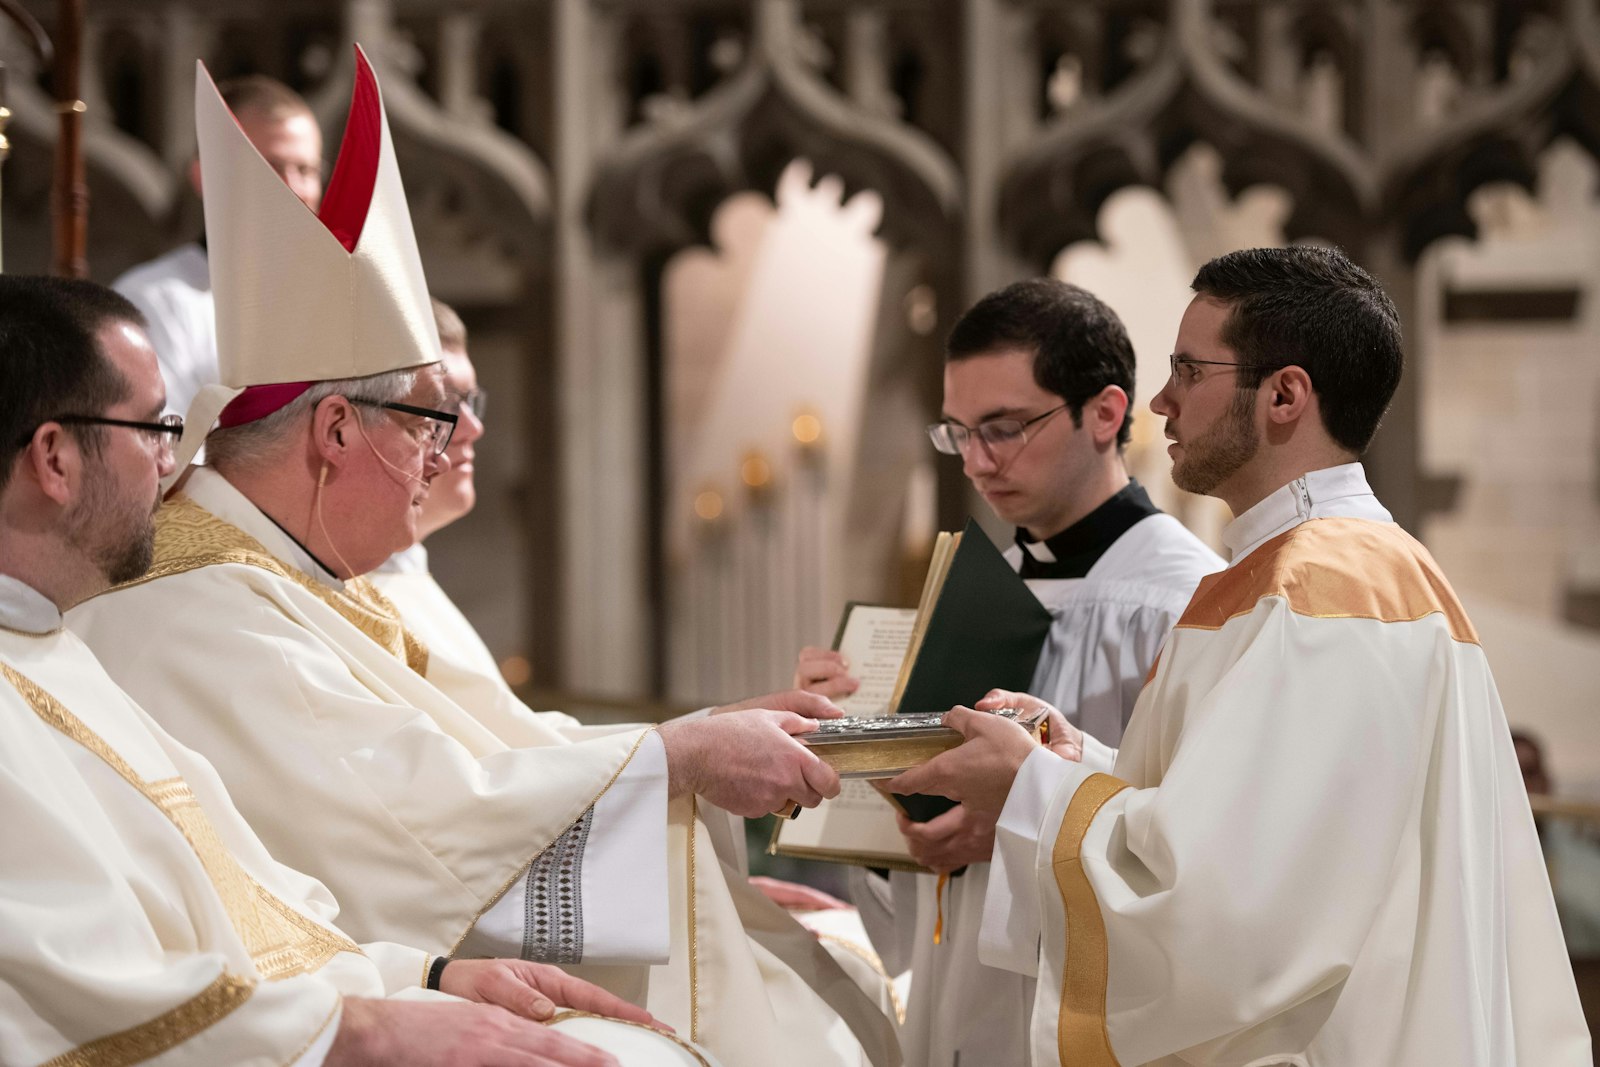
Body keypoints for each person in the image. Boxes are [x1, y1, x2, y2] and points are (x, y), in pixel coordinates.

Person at [71, 51, 897, 1067]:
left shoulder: (292, 572)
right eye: (427, 417)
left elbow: (485, 757)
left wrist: (702, 735)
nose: (447, 451)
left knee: (833, 993)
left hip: (364, 981)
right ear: (333, 430)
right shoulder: (199, 602)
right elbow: (412, 826)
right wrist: (679, 754)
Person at [888, 246, 1592, 1065]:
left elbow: (1225, 905)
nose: (1163, 400)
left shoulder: (1320, 592)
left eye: (1189, 370)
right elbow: (1258, 829)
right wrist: (1075, 758)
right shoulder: (1328, 571)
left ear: (1285, 395)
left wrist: (1031, 786)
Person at [0, 273, 726, 1067]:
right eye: (153, 429)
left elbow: (248, 898)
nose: (171, 463)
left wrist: (423, 972)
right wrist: (363, 1028)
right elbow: (80, 993)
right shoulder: (163, 611)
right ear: (54, 457)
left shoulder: (51, 644)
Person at [793, 278, 1221, 1065]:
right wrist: (858, 755)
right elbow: (916, 886)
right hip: (960, 998)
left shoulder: (1185, 602)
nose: (978, 462)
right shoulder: (966, 596)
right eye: (957, 433)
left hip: (1094, 1014)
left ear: (1106, 411)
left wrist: (1030, 813)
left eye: (1004, 428)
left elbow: (1207, 848)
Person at [114, 74, 324, 417]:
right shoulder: (153, 303)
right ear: (204, 176)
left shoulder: (339, 296)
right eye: (268, 166)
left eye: (306, 169)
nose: (292, 189)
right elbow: (169, 459)